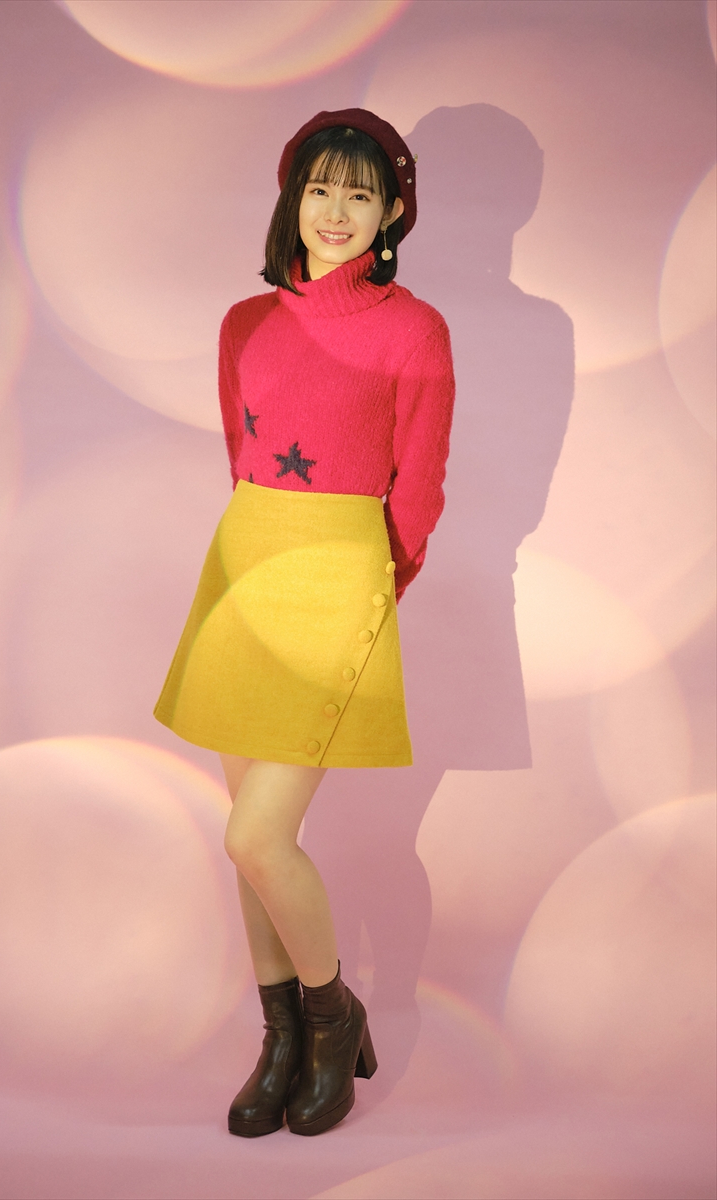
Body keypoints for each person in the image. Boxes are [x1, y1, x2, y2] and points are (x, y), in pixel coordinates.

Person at [154, 109, 454, 1138]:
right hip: (244, 571)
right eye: (320, 187)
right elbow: (238, 455)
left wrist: (372, 585)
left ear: (392, 212)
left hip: (340, 574)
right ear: (293, 197)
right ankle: (279, 1037)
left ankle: (332, 1017)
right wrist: (259, 554)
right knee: (251, 843)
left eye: (360, 194)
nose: (335, 211)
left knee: (256, 833)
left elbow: (420, 484)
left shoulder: (415, 328)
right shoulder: (245, 322)